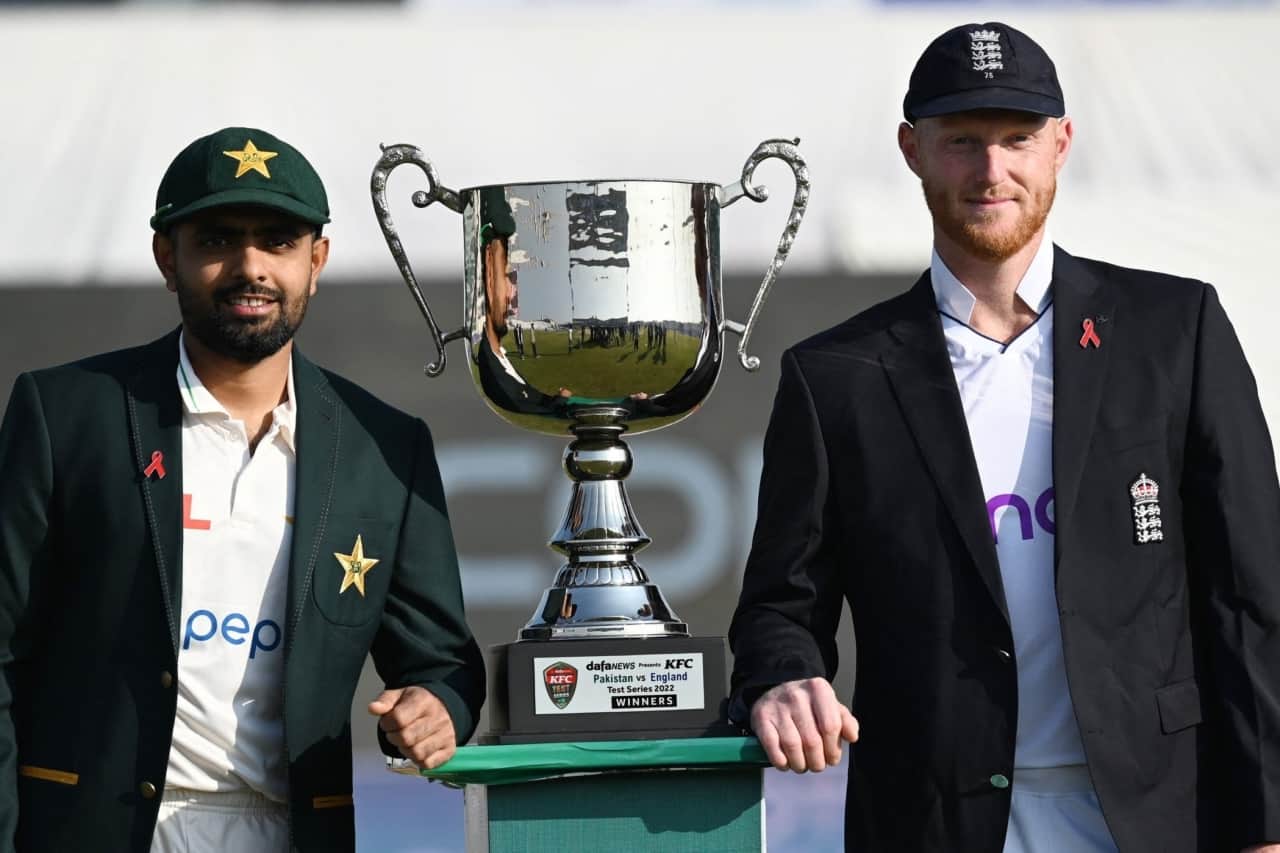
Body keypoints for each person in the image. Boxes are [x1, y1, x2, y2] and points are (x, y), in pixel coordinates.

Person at [728, 22, 1280, 853]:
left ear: (1061, 143)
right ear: (913, 149)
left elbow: (1250, 600)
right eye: (963, 142)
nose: (992, 171)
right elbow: (780, 603)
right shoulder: (834, 375)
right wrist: (782, 676)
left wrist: (1264, 825)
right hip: (930, 820)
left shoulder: (1176, 330)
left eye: (1017, 139)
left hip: (1156, 815)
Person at [0, 127, 485, 853]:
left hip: (290, 830)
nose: (250, 266)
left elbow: (443, 660)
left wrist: (437, 706)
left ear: (316, 261)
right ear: (169, 256)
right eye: (219, 239)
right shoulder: (64, 414)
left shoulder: (384, 445)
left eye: (279, 242)